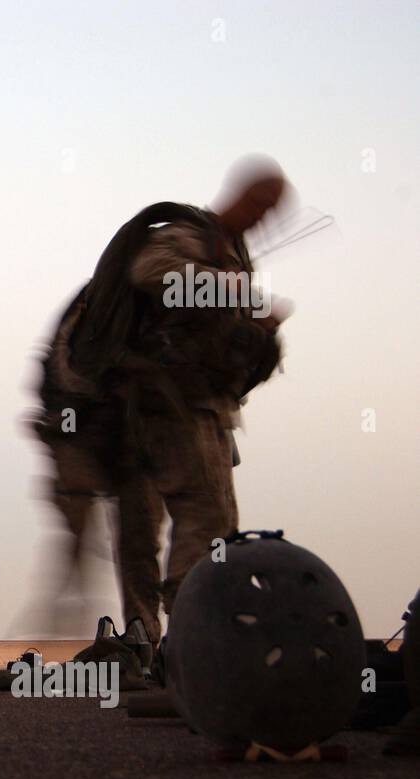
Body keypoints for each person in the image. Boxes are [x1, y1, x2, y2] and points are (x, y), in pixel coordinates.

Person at [68, 157, 289, 619]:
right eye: (262, 205)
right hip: (171, 406)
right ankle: (186, 640)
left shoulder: (227, 250)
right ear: (243, 196)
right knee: (201, 520)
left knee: (160, 528)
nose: (264, 218)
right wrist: (234, 289)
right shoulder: (191, 236)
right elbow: (151, 272)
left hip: (189, 407)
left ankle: (154, 647)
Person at [31, 288, 165, 643]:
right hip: (94, 439)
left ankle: (145, 638)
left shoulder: (161, 305)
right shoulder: (98, 303)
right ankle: (139, 637)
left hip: (130, 445)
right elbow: (57, 371)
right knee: (104, 539)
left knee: (139, 544)